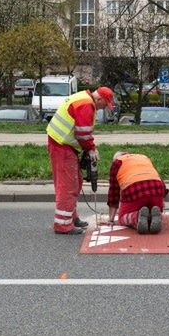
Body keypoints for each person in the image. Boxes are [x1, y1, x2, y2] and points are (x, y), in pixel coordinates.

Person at [46, 86, 114, 235]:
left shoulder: (84, 97)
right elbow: (83, 133)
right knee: (68, 186)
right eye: (105, 105)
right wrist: (91, 149)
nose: (103, 108)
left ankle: (71, 217)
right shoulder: (86, 104)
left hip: (64, 145)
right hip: (62, 146)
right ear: (100, 99)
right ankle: (63, 225)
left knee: (76, 182)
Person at [106, 152, 168, 234]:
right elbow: (159, 180)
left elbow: (114, 193)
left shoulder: (117, 163)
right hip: (156, 189)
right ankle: (156, 215)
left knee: (122, 217)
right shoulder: (144, 158)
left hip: (135, 190)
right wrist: (161, 202)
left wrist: (111, 219)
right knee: (152, 209)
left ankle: (136, 217)